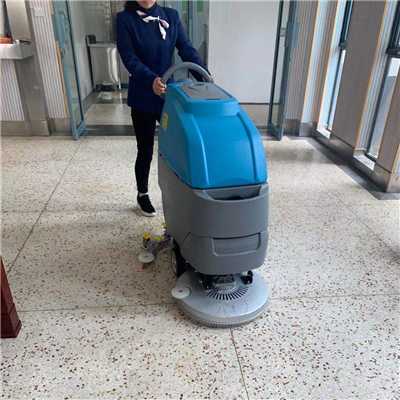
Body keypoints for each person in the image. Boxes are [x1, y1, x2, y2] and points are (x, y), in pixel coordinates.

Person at [117, 0, 212, 217]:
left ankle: (182, 191)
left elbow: (186, 49)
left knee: (180, 146)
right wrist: (150, 79)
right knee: (145, 150)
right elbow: (129, 58)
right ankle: (142, 194)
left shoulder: (171, 16)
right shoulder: (125, 19)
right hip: (143, 96)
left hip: (168, 97)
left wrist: (203, 74)